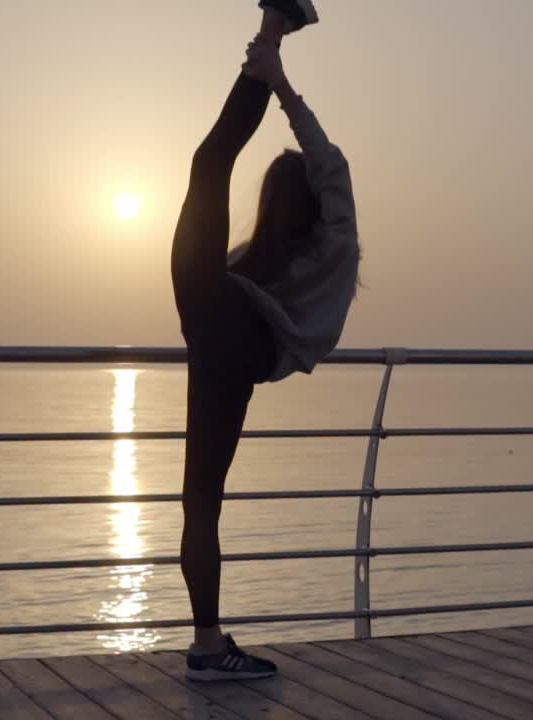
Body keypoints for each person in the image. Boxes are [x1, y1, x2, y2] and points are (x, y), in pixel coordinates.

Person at [171, 0, 359, 681]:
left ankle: (272, 29)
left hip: (215, 320)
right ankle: (206, 647)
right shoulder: (332, 238)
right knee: (202, 498)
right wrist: (278, 82)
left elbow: (319, 155)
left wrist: (276, 77)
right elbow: (327, 157)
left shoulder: (297, 248)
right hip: (233, 339)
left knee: (209, 160)